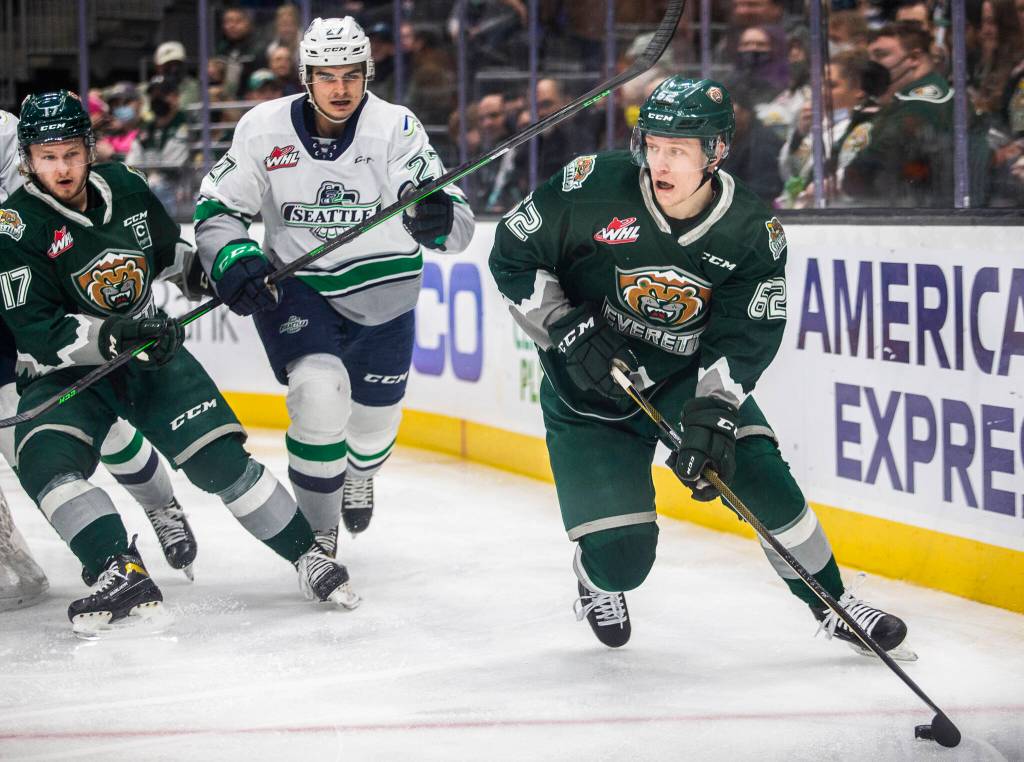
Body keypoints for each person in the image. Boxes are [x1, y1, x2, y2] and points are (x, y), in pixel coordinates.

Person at [488, 76, 911, 657]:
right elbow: (513, 255)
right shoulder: (590, 186)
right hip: (588, 388)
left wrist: (713, 411)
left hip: (682, 375)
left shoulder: (751, 232)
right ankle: (595, 581)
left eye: (678, 150)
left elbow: (744, 334)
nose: (660, 163)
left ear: (715, 153)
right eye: (653, 145)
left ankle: (834, 602)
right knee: (622, 562)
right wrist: (565, 328)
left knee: (759, 475)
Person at [0, 91, 358, 637]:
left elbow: (170, 257)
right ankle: (119, 569)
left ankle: (309, 558)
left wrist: (219, 276)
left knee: (222, 464)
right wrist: (120, 335)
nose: (62, 168)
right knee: (44, 462)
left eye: (71, 153)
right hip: (70, 376)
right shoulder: (13, 227)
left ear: (89, 148)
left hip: (150, 358)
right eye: (48, 157)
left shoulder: (126, 186)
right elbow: (40, 334)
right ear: (27, 159)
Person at [192, 17, 474, 554]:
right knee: (317, 396)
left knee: (372, 429)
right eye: (327, 76)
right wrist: (233, 254)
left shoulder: (396, 127)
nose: (340, 89)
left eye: (351, 75)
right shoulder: (262, 128)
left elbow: (454, 221)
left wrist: (434, 215)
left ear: (368, 74)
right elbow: (219, 208)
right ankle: (319, 534)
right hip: (300, 287)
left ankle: (360, 472)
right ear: (306, 77)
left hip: (385, 290)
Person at [1, 106, 197, 590]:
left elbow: (25, 209)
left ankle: (159, 503)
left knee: (91, 430)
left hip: (27, 302)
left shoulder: (5, 132)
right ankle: (102, 558)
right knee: (30, 454)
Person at [843, 22, 956, 206]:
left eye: (881, 55)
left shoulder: (925, 103)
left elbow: (872, 165)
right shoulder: (891, 101)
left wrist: (845, 177)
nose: (872, 65)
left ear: (914, 58)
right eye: (870, 57)